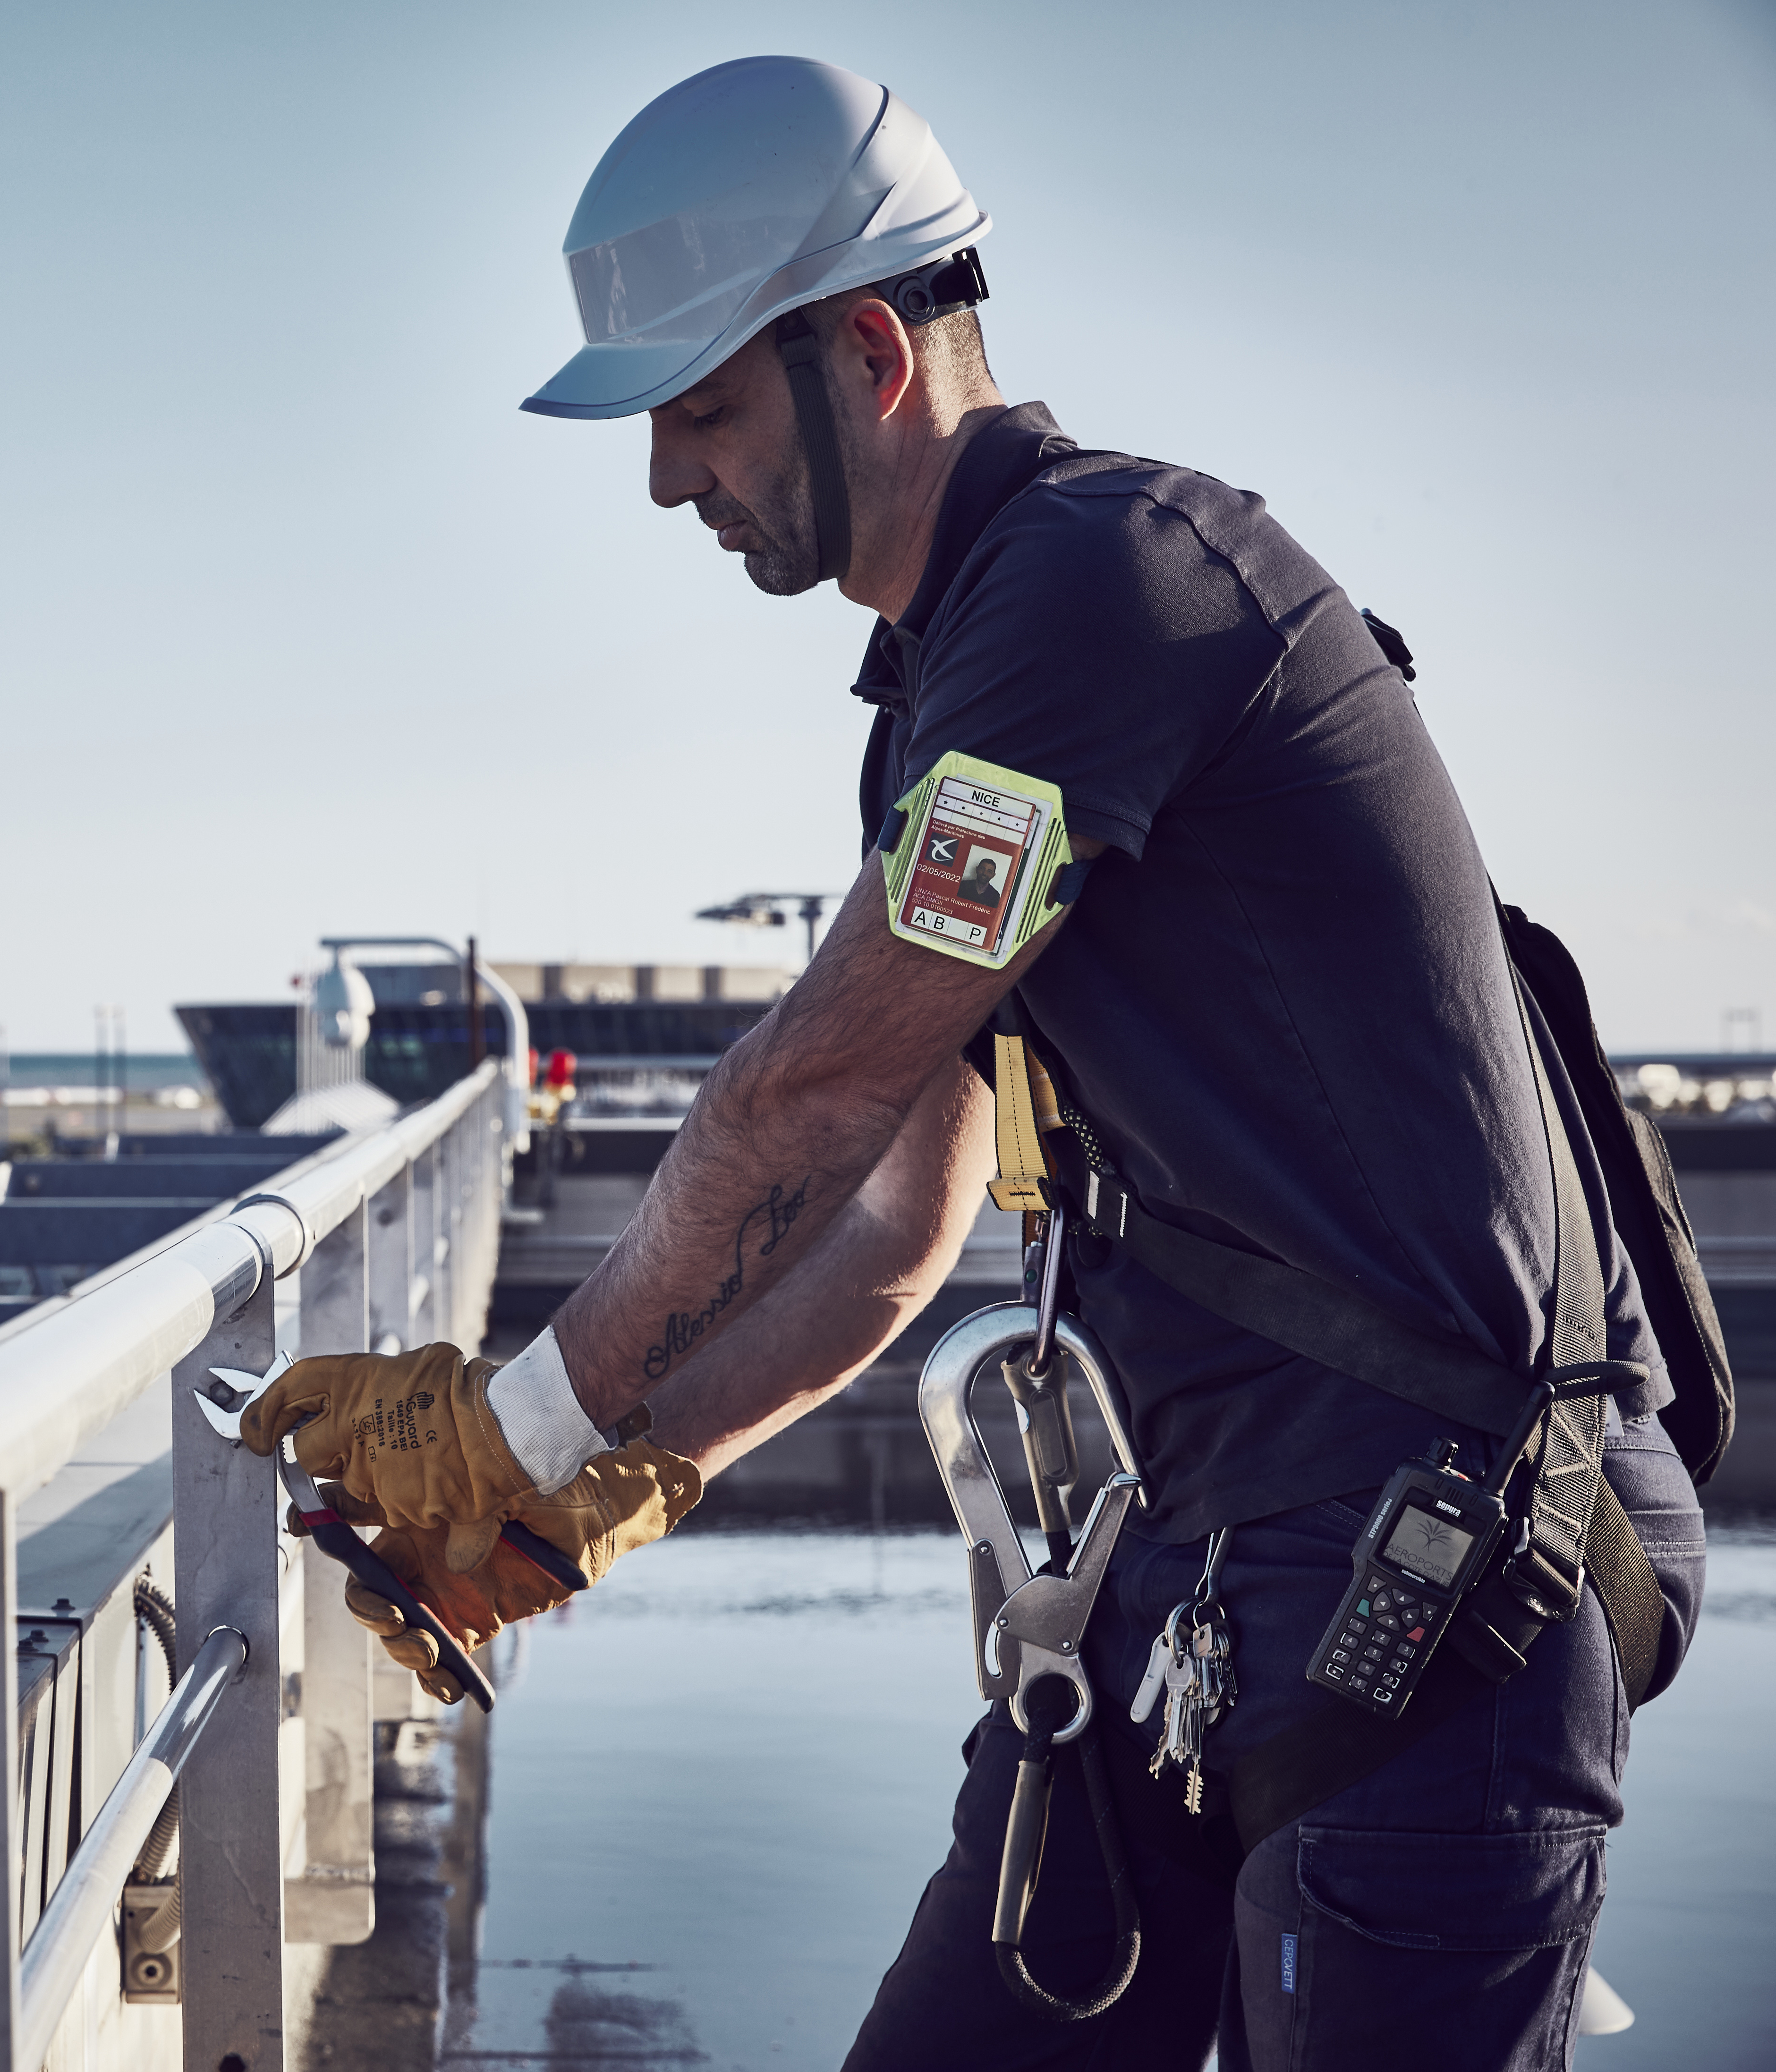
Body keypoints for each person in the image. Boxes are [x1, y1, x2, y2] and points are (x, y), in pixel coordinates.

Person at [240, 55, 1708, 2070]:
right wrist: (633, 1477)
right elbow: (887, 1225)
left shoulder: (1105, 586)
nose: (670, 479)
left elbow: (804, 1094)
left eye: (698, 409)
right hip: (1196, 1563)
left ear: (864, 350)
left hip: (1431, 1574)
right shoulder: (950, 687)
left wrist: (514, 1431)